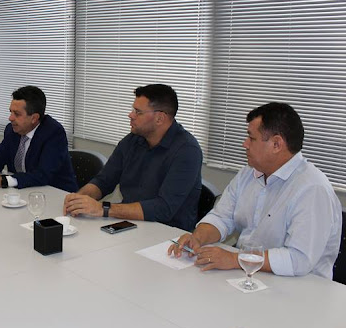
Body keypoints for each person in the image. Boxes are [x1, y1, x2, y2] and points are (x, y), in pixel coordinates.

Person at [169, 102, 342, 279]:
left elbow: (298, 260)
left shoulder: (312, 189)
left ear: (276, 144)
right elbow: (222, 217)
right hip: (248, 273)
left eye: (251, 138)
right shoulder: (249, 173)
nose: (245, 144)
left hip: (299, 285)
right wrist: (197, 238)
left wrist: (235, 259)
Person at [63, 84, 202, 231]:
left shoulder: (187, 150)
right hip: (129, 223)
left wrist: (103, 209)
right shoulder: (133, 140)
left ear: (159, 118)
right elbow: (104, 181)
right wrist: (79, 198)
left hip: (167, 232)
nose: (131, 115)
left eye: (138, 112)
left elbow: (163, 208)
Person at [0, 86, 78, 193]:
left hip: (57, 194)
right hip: (22, 192)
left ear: (34, 118)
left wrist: (2, 181)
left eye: (17, 114)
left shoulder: (54, 133)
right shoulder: (12, 129)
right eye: (10, 112)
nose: (10, 118)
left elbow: (42, 175)